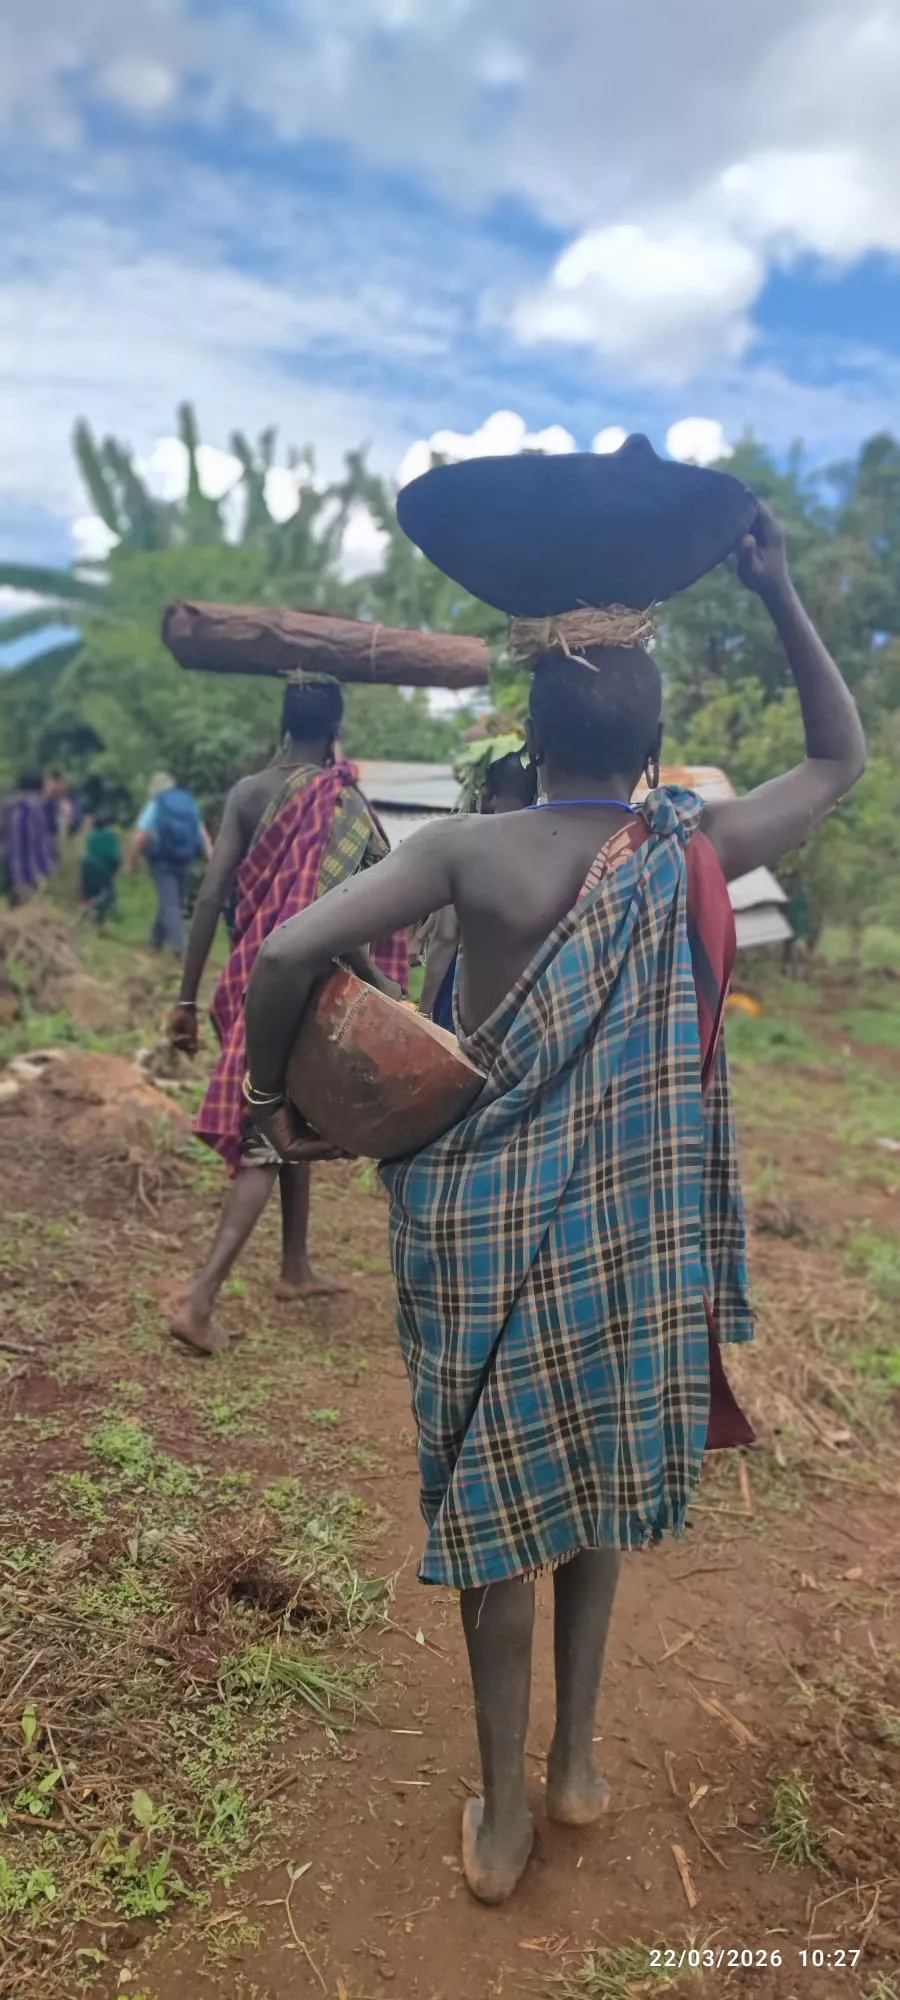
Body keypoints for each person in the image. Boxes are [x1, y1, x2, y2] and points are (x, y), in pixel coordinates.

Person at [239, 505, 865, 1906]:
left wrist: (290, 1094)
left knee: (495, 1501)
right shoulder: (691, 852)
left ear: (532, 731)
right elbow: (840, 758)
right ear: (651, 751)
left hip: (476, 1230)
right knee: (586, 1494)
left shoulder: (470, 852)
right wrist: (772, 587)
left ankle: (505, 1818)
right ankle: (575, 1766)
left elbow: (284, 946)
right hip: (636, 1245)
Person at [165, 677, 409, 1354]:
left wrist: (187, 998)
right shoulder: (343, 800)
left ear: (283, 722)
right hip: (310, 986)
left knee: (287, 1117)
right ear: (335, 727)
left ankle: (294, 1267)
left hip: (249, 976)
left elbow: (213, 895)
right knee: (266, 1137)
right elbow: (353, 909)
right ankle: (199, 1300)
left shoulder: (247, 792)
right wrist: (376, 978)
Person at [420, 741, 537, 1028]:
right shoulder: (545, 848)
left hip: (465, 999)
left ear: (489, 796)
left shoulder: (473, 847)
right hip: (520, 1006)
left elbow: (446, 937)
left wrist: (423, 1012)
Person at [128, 773, 211, 960]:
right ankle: (156, 941)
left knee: (170, 902)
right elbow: (201, 832)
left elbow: (140, 837)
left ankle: (178, 949)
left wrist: (131, 863)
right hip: (185, 860)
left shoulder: (156, 805)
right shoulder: (187, 804)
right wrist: (212, 858)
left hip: (162, 861)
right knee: (172, 901)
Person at [1, 773, 53, 904]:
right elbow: (37, 843)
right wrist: (46, 869)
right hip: (27, 871)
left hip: (5, 863)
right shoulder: (35, 807)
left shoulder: (5, 805)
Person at [81, 809, 122, 928]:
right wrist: (114, 870)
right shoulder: (110, 837)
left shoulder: (92, 836)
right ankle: (93, 908)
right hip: (103, 870)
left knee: (91, 894)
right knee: (108, 896)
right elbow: (115, 857)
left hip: (87, 868)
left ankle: (97, 925)